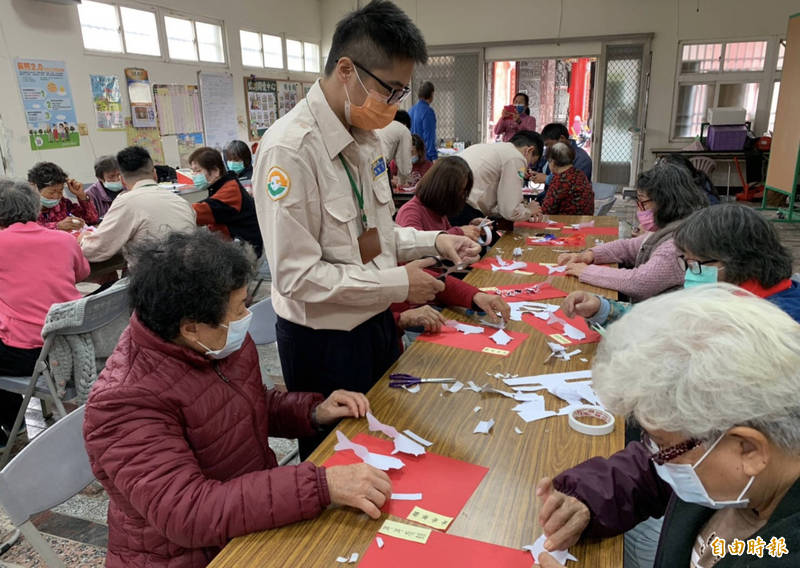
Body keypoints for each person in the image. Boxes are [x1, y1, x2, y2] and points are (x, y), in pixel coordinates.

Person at [252, 0, 480, 458]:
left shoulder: (367, 138)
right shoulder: (291, 151)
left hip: (375, 322)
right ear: (346, 70)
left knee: (391, 441)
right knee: (340, 462)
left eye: (401, 92)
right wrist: (398, 282)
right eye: (390, 90)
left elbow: (376, 238)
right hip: (325, 343)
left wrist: (433, 240)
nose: (394, 105)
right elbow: (296, 276)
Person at [83, 230, 393, 568]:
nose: (246, 317)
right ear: (190, 327)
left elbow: (241, 406)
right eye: (239, 307)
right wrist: (319, 485)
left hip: (247, 522)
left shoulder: (210, 341)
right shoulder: (124, 402)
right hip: (193, 555)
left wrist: (313, 411)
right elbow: (189, 513)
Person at [535, 285, 800, 568]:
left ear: (749, 449)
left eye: (660, 444)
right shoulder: (722, 459)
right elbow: (650, 470)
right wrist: (587, 498)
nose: (655, 455)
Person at [563, 203, 800, 327]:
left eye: (695, 264)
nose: (690, 274)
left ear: (737, 261)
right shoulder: (727, 295)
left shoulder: (777, 326)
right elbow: (667, 320)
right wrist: (601, 309)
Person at [0, 179, 88, 444]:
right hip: (72, 345)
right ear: (35, 207)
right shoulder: (63, 239)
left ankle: (10, 427)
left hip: (31, 354)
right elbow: (82, 273)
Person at [557, 162, 707, 301]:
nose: (639, 209)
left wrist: (586, 272)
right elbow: (628, 247)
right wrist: (590, 254)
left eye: (643, 203)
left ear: (666, 203)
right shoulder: (669, 230)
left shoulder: (674, 245)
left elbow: (639, 282)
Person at [80, 146, 196, 262]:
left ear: (122, 180)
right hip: (193, 273)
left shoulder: (126, 203)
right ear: (155, 174)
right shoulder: (182, 201)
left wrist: (82, 239)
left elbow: (95, 250)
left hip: (154, 277)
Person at [453, 130, 543, 224]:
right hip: (464, 207)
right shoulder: (516, 158)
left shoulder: (493, 148)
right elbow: (510, 211)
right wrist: (529, 211)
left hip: (448, 200)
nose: (526, 167)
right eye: (530, 163)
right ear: (529, 150)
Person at [189, 147, 263, 257]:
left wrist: (176, 206)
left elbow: (203, 211)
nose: (194, 175)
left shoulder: (231, 190)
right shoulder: (221, 186)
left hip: (245, 252)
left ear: (215, 171)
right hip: (234, 247)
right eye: (193, 171)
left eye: (198, 171)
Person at [396, 156, 482, 240]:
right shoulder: (410, 212)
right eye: (459, 191)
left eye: (463, 192)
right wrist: (459, 232)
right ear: (443, 188)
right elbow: (416, 247)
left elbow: (447, 236)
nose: (461, 196)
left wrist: (470, 229)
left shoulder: (437, 212)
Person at [28, 161, 99, 231]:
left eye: (60, 191)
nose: (57, 196)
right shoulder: (24, 208)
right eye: (52, 192)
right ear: (34, 188)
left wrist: (81, 196)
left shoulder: (62, 203)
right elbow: (30, 231)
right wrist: (57, 226)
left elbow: (91, 220)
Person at [540, 142, 594, 215]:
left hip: (566, 222)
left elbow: (546, 210)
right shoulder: (580, 174)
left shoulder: (559, 180)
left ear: (552, 162)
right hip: (585, 221)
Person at [377, 109, 413, 187]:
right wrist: (402, 183)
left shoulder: (382, 124)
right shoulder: (404, 130)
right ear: (406, 124)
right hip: (378, 165)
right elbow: (404, 163)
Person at [409, 81, 437, 162]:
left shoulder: (411, 110)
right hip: (424, 158)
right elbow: (429, 136)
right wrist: (434, 157)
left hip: (413, 156)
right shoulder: (428, 112)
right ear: (431, 94)